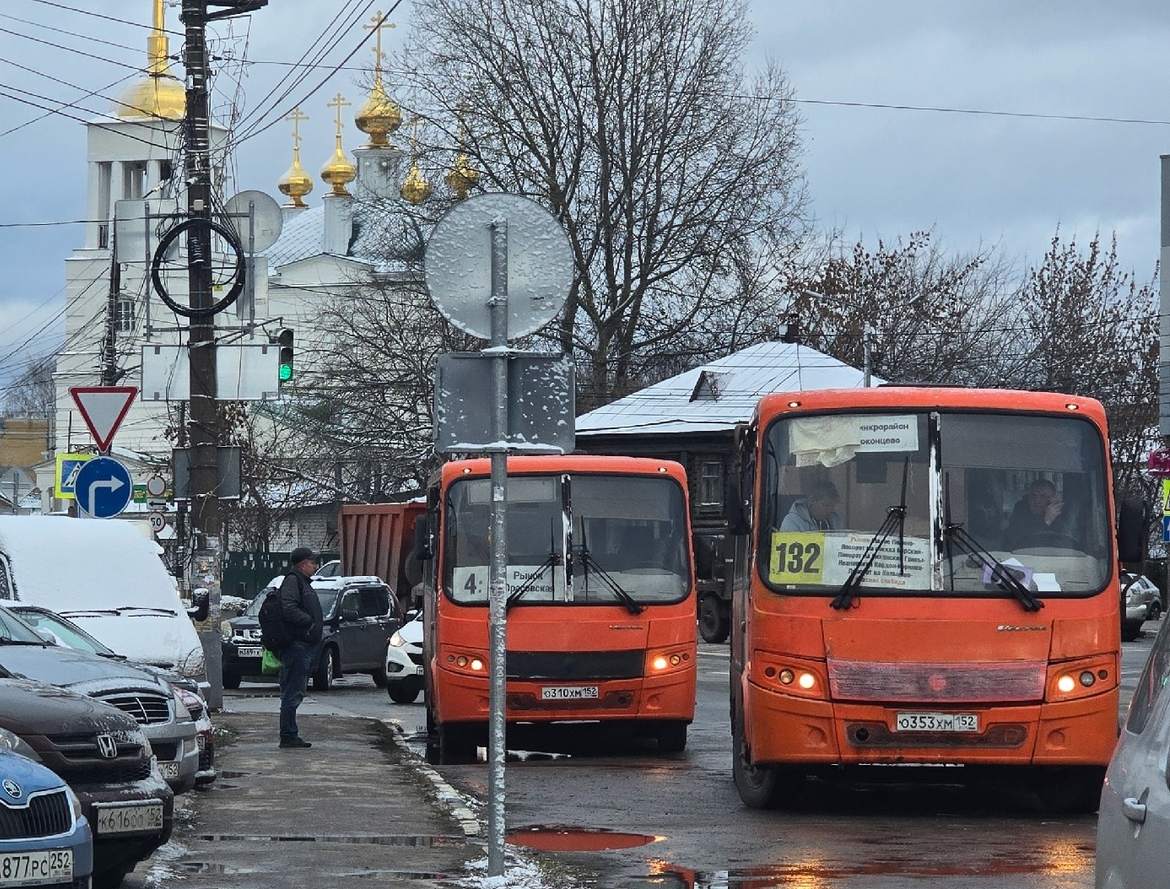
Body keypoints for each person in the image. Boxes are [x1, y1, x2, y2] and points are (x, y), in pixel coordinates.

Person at [277, 546, 323, 749]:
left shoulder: (301, 582)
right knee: (292, 691)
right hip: (297, 645)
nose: (315, 566)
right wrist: (309, 623)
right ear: (303, 564)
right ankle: (288, 735)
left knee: (295, 690)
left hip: (303, 644)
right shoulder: (293, 582)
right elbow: (289, 609)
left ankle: (290, 733)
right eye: (313, 563)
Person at [1004, 479, 1069, 545]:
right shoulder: (1021, 511)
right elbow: (1018, 540)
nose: (1037, 501)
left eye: (1043, 496)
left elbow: (1067, 542)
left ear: (1052, 500)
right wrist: (1047, 521)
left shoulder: (1061, 517)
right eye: (1033, 495)